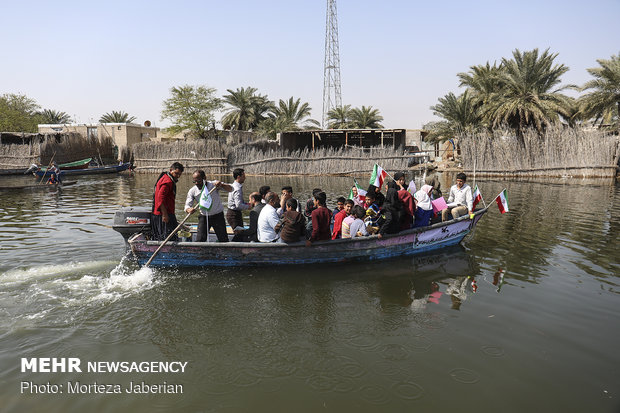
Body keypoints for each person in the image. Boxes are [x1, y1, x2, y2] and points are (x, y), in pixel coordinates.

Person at [184, 170, 232, 242]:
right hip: (204, 217)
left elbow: (230, 189)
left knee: (223, 240)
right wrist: (188, 209)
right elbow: (187, 205)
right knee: (200, 240)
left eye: (199, 181)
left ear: (205, 178)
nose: (197, 183)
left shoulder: (214, 185)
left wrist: (221, 184)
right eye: (194, 181)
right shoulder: (193, 191)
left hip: (218, 216)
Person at [152, 162, 184, 241]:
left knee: (164, 237)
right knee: (169, 238)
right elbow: (160, 198)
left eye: (179, 174)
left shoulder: (166, 178)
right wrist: (165, 215)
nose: (178, 176)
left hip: (163, 213)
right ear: (171, 170)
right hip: (164, 214)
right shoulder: (168, 181)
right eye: (176, 173)